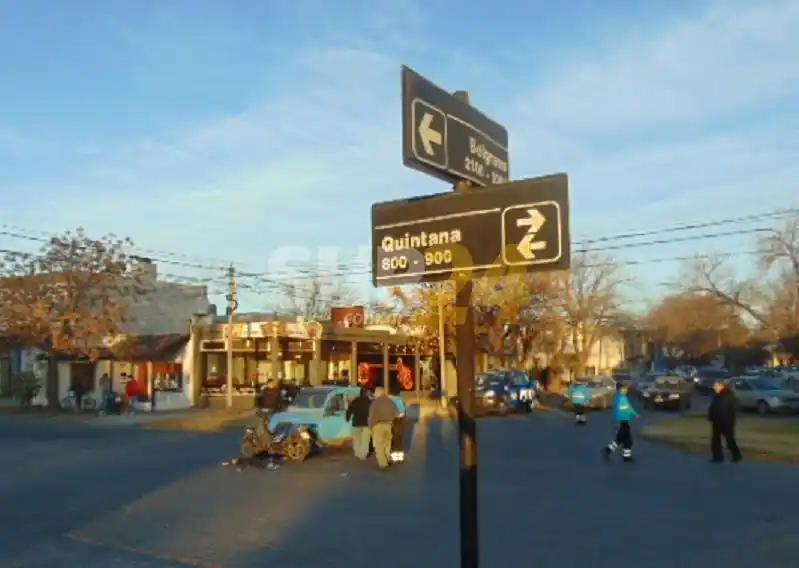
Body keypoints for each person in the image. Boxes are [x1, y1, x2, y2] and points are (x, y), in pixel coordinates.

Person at [603, 383, 639, 462]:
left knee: (620, 439)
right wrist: (617, 422)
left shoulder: (624, 397)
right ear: (619, 389)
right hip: (621, 421)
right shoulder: (618, 398)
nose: (626, 390)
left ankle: (608, 450)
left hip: (625, 421)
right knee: (628, 440)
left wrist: (635, 414)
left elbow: (628, 407)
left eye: (626, 389)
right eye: (624, 389)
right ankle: (626, 456)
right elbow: (616, 411)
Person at [708, 380, 742, 463]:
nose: (714, 387)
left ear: (721, 386)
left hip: (727, 421)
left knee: (729, 438)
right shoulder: (716, 395)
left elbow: (733, 408)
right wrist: (711, 416)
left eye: (716, 386)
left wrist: (731, 420)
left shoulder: (728, 395)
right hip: (717, 420)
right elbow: (713, 407)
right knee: (716, 439)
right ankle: (717, 456)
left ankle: (736, 455)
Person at [367, 386, 399, 470]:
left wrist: (370, 426)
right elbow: (396, 413)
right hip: (389, 425)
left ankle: (383, 463)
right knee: (387, 443)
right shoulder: (390, 401)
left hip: (377, 426)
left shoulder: (375, 403)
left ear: (378, 393)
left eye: (375, 393)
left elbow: (371, 416)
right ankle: (388, 457)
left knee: (379, 445)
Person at [345, 387, 372, 460]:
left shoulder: (355, 401)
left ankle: (357, 453)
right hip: (367, 423)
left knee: (357, 439)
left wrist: (347, 419)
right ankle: (363, 455)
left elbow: (349, 411)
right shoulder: (370, 402)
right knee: (365, 439)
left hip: (356, 423)